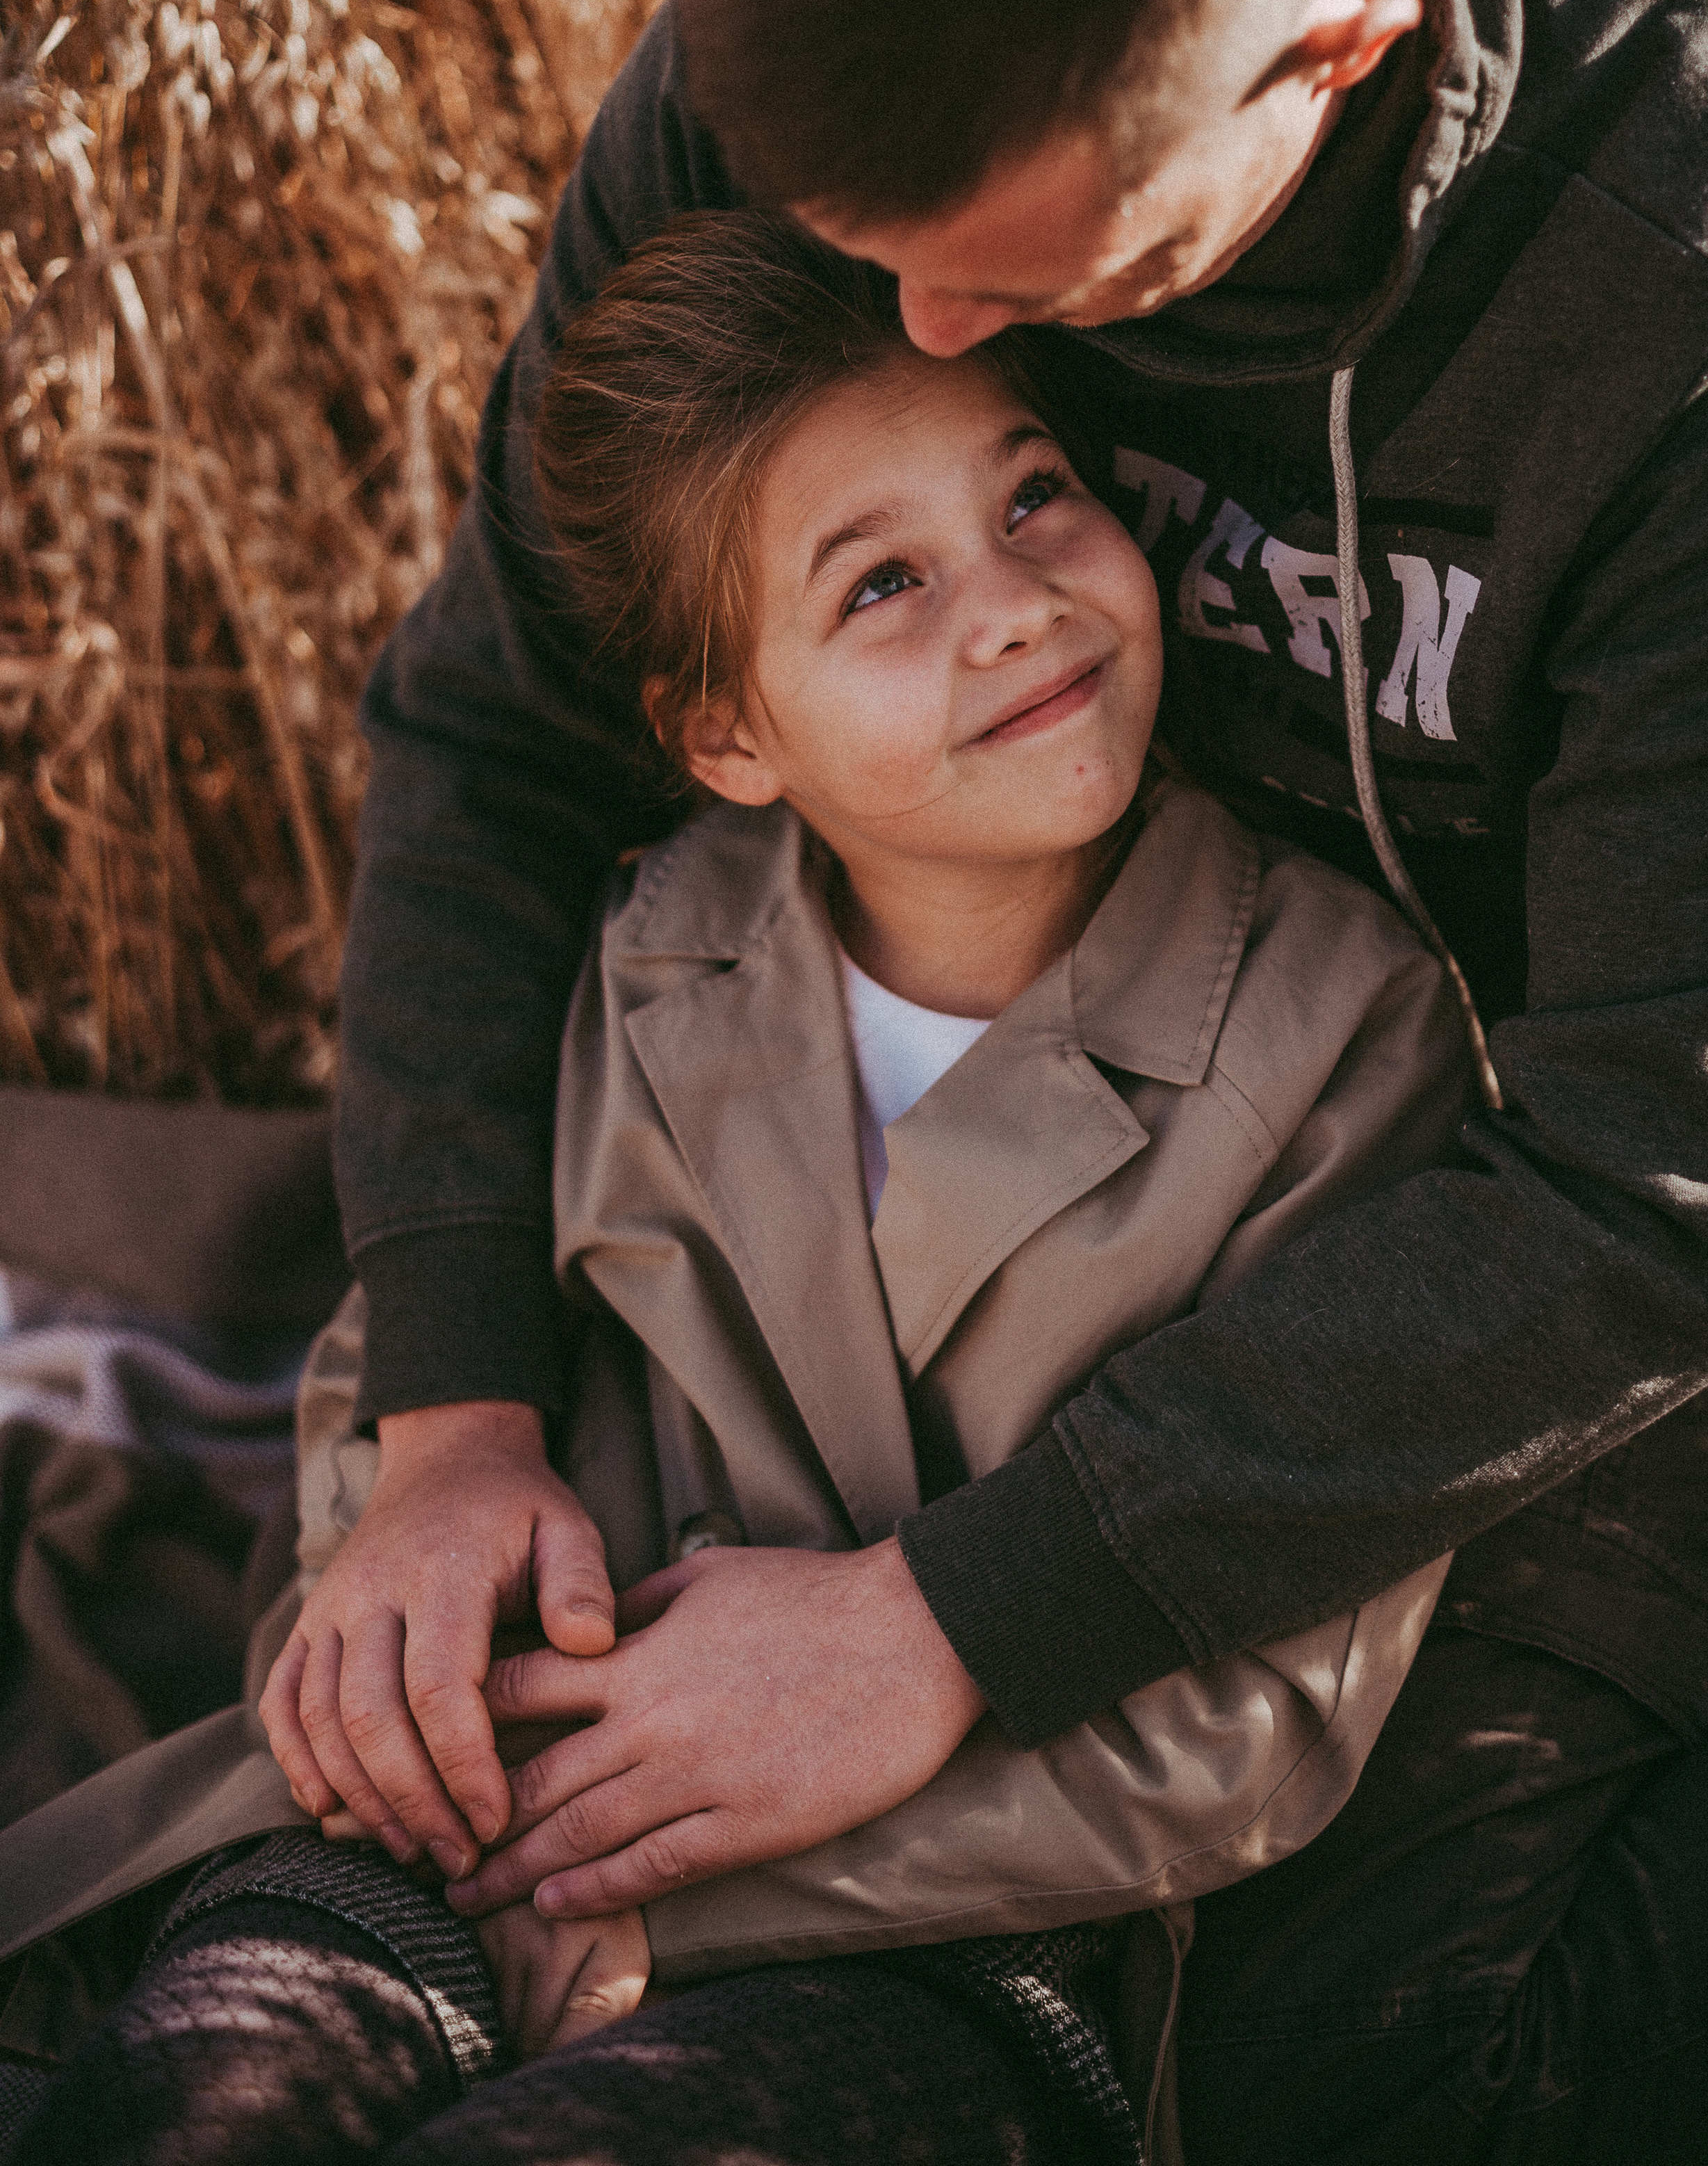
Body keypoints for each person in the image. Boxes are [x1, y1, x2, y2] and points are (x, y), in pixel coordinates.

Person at [58, 0, 1708, 2153]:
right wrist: (456, 1424)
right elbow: (508, 737)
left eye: (1039, 302)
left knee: (1366, 2074)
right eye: (877, 253)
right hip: (995, 1249)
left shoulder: (1700, 300)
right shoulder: (799, 105)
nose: (935, 336)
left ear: (1323, 63)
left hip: (1568, 1270)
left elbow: (1665, 1191)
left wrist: (949, 1624)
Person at [1, 212, 1469, 2162]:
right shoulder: (638, 955)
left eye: (1035, 498)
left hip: (948, 1933)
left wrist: (672, 1883)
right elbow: (405, 1411)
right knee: (193, 2106)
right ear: (730, 735)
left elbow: (1251, 1720)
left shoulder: (1345, 1032)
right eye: (883, 584)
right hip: (468, 1844)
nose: (1016, 603)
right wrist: (449, 1742)